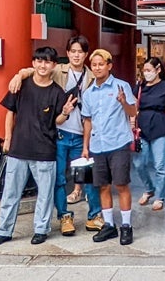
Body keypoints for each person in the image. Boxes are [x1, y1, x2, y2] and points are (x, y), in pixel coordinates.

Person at [6, 35, 103, 237]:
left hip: (83, 134)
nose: (77, 55)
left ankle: (94, 216)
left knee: (89, 178)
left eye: (80, 51)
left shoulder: (93, 75)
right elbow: (36, 70)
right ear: (67, 54)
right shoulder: (58, 69)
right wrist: (19, 74)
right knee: (58, 179)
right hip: (59, 133)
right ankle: (65, 216)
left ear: (86, 54)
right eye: (73, 51)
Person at [0, 46, 72, 247]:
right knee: (10, 193)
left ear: (54, 65)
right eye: (39, 61)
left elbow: (58, 121)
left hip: (45, 151)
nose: (43, 65)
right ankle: (4, 231)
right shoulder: (22, 85)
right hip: (19, 149)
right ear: (33, 63)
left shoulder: (57, 93)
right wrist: (8, 138)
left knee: (44, 194)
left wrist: (66, 112)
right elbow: (10, 112)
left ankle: (41, 230)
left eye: (47, 62)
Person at [81, 48, 139, 245]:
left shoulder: (121, 86)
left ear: (109, 66)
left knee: (121, 184)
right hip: (97, 145)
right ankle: (108, 225)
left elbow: (133, 112)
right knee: (103, 186)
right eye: (94, 65)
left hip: (118, 142)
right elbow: (87, 121)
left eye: (101, 64)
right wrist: (85, 146)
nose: (97, 68)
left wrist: (123, 102)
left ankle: (126, 225)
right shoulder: (88, 93)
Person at [132, 57, 165, 212]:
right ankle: (149, 188)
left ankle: (160, 196)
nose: (146, 73)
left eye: (149, 70)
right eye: (144, 70)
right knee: (139, 163)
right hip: (142, 127)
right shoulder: (140, 86)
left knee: (160, 165)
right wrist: (132, 121)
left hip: (159, 126)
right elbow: (133, 106)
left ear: (158, 70)